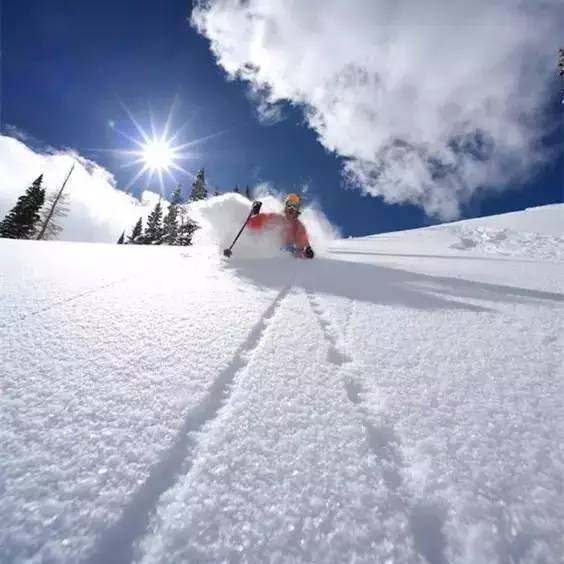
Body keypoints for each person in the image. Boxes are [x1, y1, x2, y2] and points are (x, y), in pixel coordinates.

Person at [247, 194, 315, 259]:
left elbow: (303, 245)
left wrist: (307, 251)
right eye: (290, 204)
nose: (292, 208)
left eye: (295, 206)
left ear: (298, 209)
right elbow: (252, 225)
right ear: (285, 205)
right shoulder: (277, 218)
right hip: (271, 256)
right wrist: (255, 214)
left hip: (290, 260)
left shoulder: (298, 226)